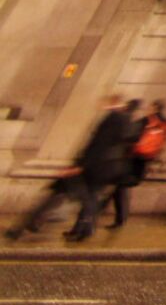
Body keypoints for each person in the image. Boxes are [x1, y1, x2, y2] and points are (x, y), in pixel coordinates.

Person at [5, 94, 134, 242]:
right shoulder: (127, 119)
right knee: (88, 198)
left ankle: (24, 227)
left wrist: (79, 166)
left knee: (57, 194)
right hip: (106, 168)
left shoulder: (113, 118)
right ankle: (84, 229)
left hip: (92, 167)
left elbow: (99, 145)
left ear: (112, 102)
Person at [110, 100, 166, 229]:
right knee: (122, 187)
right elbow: (163, 142)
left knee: (120, 187)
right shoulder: (165, 124)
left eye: (150, 107)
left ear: (155, 108)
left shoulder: (146, 121)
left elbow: (129, 136)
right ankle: (120, 217)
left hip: (134, 158)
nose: (147, 109)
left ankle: (118, 218)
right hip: (145, 159)